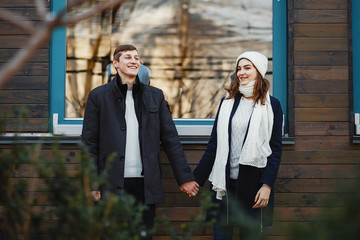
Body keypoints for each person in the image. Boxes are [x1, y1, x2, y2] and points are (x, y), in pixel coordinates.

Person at [81, 44, 199, 239]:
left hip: (145, 184)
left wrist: (185, 177)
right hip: (111, 183)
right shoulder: (98, 97)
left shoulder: (155, 96)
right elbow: (89, 144)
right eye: (127, 57)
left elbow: (171, 139)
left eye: (136, 57)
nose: (134, 61)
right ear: (115, 64)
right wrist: (92, 184)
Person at [193, 51, 283, 239]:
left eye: (247, 68)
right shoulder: (226, 103)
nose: (241, 72)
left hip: (253, 188)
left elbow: (274, 151)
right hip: (224, 188)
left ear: (259, 71)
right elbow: (214, 145)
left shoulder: (272, 105)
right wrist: (195, 179)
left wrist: (267, 185)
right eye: (239, 68)